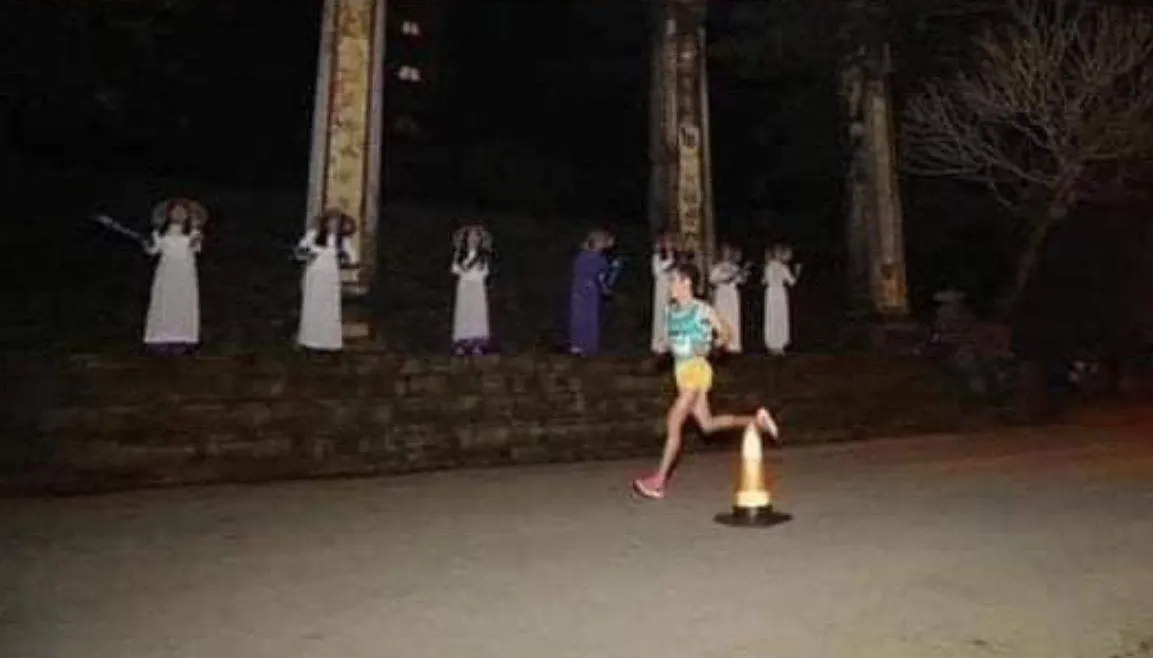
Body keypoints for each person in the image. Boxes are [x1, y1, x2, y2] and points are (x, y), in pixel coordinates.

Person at [633, 262, 780, 500]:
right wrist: (664, 346)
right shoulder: (671, 311)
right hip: (681, 372)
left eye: (673, 281)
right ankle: (758, 420)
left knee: (674, 423)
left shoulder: (702, 310)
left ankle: (658, 481)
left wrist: (710, 345)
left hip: (696, 371)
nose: (670, 286)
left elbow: (726, 334)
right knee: (707, 425)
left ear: (686, 283)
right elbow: (672, 341)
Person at [143, 198, 207, 354]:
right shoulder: (160, 233)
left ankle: (184, 338)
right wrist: (148, 245)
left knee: (183, 303)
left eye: (182, 211)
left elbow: (195, 248)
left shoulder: (193, 232)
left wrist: (196, 237)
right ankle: (159, 338)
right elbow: (154, 250)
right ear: (169, 214)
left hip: (185, 274)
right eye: (175, 211)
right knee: (164, 302)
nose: (178, 214)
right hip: (166, 272)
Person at [296, 209, 357, 351]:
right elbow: (300, 250)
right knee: (312, 308)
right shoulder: (314, 235)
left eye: (337, 222)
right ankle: (308, 340)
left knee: (329, 309)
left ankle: (328, 342)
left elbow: (353, 257)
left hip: (330, 278)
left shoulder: (342, 240)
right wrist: (307, 255)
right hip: (314, 276)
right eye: (331, 221)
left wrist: (344, 258)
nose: (333, 225)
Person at [568, 229, 619, 356]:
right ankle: (582, 346)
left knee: (585, 316)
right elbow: (601, 276)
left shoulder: (592, 257)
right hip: (585, 289)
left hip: (586, 289)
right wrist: (607, 283)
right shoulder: (591, 257)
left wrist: (606, 285)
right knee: (583, 316)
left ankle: (582, 346)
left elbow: (602, 276)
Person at [450, 224, 493, 355]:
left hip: (477, 287)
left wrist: (476, 272)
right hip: (464, 286)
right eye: (470, 236)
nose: (473, 239)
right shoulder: (460, 254)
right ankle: (462, 343)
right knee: (464, 312)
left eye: (476, 236)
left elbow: (485, 272)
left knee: (477, 313)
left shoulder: (483, 255)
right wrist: (463, 269)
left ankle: (477, 344)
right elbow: (454, 269)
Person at [708, 243, 748, 353]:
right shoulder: (718, 266)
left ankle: (733, 344)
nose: (727, 253)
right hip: (722, 293)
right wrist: (730, 277)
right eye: (725, 251)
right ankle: (721, 344)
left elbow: (741, 281)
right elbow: (712, 280)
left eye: (729, 251)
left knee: (732, 318)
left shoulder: (734, 266)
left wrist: (743, 274)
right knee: (722, 318)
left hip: (732, 294)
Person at [763, 244, 801, 355]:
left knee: (774, 317)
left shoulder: (770, 266)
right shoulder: (781, 267)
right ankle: (777, 344)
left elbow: (765, 280)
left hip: (773, 292)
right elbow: (792, 282)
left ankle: (774, 345)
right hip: (778, 292)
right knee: (778, 317)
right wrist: (797, 271)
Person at [650, 232, 677, 351]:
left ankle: (670, 343)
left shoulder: (674, 256)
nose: (670, 244)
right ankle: (659, 343)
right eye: (667, 241)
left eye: (671, 241)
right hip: (661, 287)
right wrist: (669, 263)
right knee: (661, 314)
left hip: (671, 287)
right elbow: (657, 271)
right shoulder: (657, 256)